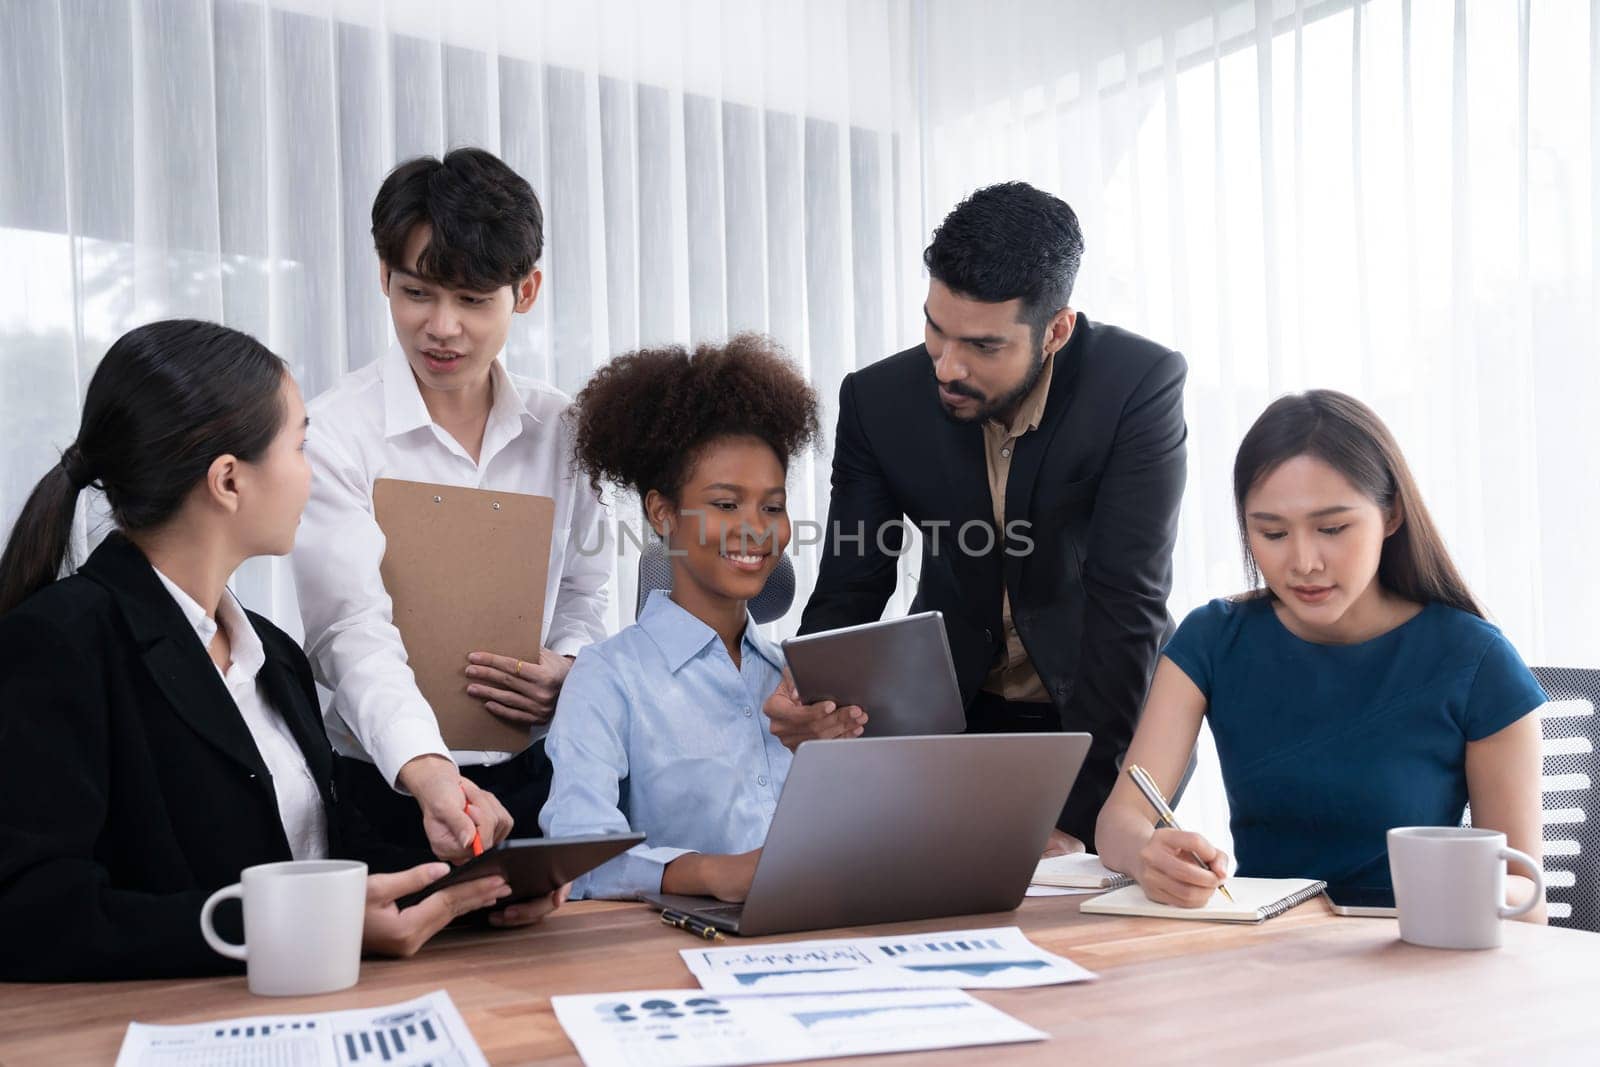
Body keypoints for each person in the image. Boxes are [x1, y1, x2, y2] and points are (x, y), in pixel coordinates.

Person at [0, 320, 562, 982]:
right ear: (229, 481)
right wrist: (295, 927)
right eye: (300, 447)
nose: (311, 473)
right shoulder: (61, 643)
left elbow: (326, 849)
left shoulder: (272, 653)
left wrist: (475, 878)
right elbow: (30, 913)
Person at [773, 181, 1188, 852]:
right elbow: (852, 581)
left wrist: (1080, 821)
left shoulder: (1137, 386)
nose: (949, 364)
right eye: (936, 329)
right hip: (958, 706)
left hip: (1106, 712)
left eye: (984, 347)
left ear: (1056, 330)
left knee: (1085, 915)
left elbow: (1127, 604)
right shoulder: (877, 401)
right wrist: (813, 691)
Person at [1095, 391, 1546, 920]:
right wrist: (1149, 857)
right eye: (1272, 533)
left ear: (1392, 514)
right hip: (1270, 956)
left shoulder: (1476, 660)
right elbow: (1119, 824)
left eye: (1332, 529)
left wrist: (1459, 885)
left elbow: (1526, 897)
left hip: (1416, 955)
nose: (1303, 562)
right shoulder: (1214, 638)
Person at [291, 148, 611, 864]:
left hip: (534, 780)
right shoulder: (334, 432)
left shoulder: (565, 431)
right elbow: (348, 631)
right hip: (385, 788)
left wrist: (571, 666)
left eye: (472, 300)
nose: (442, 327)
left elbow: (586, 592)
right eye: (417, 293)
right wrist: (429, 769)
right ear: (384, 277)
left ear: (524, 292)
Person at [539, 335, 820, 902]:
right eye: (725, 504)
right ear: (663, 512)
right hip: (672, 954)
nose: (755, 528)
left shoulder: (802, 681)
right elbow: (575, 853)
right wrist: (709, 873)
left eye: (772, 506)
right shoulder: (607, 677)